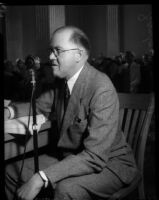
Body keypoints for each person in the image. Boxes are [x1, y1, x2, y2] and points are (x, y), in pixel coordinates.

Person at [5, 26, 139, 200]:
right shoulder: (61, 83)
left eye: (57, 51)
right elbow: (38, 107)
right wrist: (9, 111)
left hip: (109, 164)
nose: (51, 57)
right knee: (11, 172)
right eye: (51, 51)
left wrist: (42, 177)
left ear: (79, 55)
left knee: (66, 189)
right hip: (74, 157)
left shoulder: (101, 88)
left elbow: (95, 156)